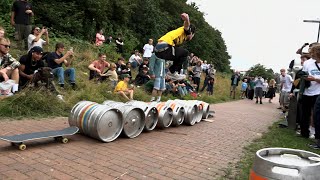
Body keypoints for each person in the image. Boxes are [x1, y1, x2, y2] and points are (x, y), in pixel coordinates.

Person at [154, 13, 196, 81]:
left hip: (158, 50)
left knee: (179, 56)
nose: (191, 38)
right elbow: (187, 26)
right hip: (164, 47)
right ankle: (172, 72)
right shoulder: (185, 31)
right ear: (191, 33)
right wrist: (187, 19)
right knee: (185, 53)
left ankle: (172, 72)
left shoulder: (179, 37)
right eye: (192, 36)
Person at [300, 45, 320, 139]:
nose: (310, 53)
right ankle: (304, 133)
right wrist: (305, 77)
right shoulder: (307, 63)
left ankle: (315, 134)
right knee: (305, 113)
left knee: (316, 114)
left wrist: (315, 79)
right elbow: (304, 75)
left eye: (312, 51)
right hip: (307, 91)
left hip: (318, 92)